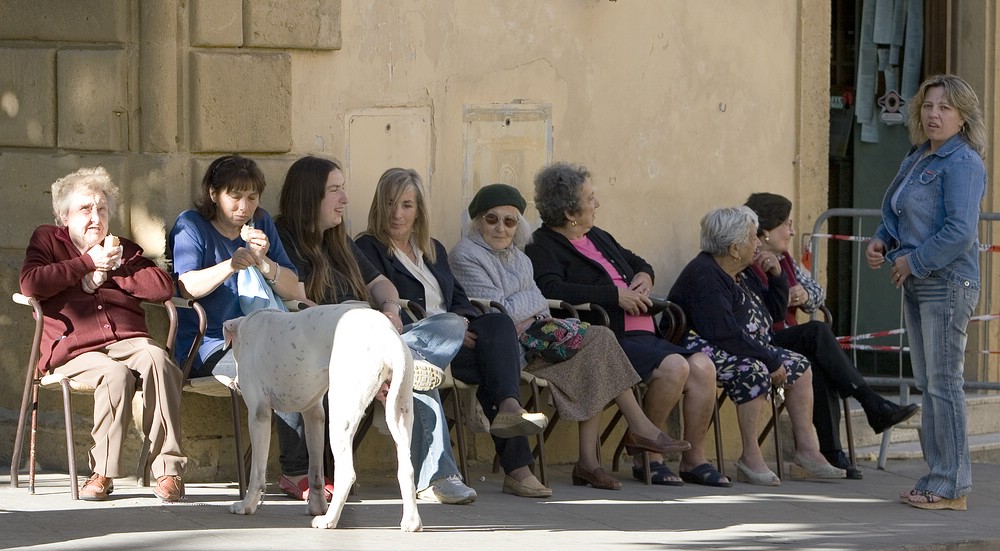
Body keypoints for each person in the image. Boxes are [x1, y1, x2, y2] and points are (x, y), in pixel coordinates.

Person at [449, 183, 691, 491]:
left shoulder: (519, 258)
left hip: (535, 335)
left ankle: (593, 461)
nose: (500, 228)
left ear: (517, 226)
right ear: (477, 221)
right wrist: (525, 305)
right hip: (505, 347)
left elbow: (533, 300)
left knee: (598, 346)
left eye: (509, 221)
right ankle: (632, 433)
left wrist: (524, 305)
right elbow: (502, 310)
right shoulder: (466, 255)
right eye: (491, 219)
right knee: (599, 345)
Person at [272, 156, 477, 505]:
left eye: (342, 189)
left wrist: (391, 308)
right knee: (411, 370)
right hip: (336, 348)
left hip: (376, 337)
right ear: (310, 197)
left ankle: (405, 363)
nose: (345, 199)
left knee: (450, 323)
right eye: (335, 191)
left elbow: (381, 283)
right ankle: (438, 478)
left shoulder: (338, 240)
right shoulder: (285, 239)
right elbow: (300, 304)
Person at [525, 162, 728, 487]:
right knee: (675, 366)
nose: (597, 203)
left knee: (703, 366)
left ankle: (694, 459)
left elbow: (637, 262)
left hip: (646, 334)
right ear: (569, 211)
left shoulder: (598, 236)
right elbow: (550, 289)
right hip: (610, 337)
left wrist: (644, 277)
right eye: (590, 198)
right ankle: (648, 454)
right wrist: (614, 296)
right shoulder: (542, 246)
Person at [356, 168, 551, 497]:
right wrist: (450, 327)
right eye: (390, 203)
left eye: (406, 205)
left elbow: (459, 300)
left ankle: (508, 410)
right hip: (415, 344)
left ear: (418, 211)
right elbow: (384, 308)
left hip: (453, 343)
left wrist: (461, 322)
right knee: (486, 363)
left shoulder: (430, 249)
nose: (396, 213)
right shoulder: (368, 247)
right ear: (379, 205)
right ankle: (517, 467)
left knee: (497, 325)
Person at [20, 166, 186, 502]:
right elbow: (31, 283)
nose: (95, 217)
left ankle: (168, 470)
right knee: (115, 374)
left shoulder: (122, 248)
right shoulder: (47, 240)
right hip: (74, 348)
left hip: (129, 339)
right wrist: (84, 264)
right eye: (85, 209)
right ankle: (103, 472)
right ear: (63, 216)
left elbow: (162, 288)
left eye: (102, 209)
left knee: (159, 359)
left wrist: (113, 268)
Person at [865, 75, 986, 511]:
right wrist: (881, 241)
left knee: (944, 385)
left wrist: (912, 261)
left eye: (945, 107)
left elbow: (959, 231)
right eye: (929, 106)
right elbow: (897, 213)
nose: (934, 114)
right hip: (918, 283)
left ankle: (951, 485)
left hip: (948, 284)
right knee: (929, 383)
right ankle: (940, 477)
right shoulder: (918, 156)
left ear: (963, 117)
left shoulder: (964, 163)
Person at [168, 155, 318, 500]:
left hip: (265, 335)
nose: (244, 206)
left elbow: (296, 289)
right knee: (274, 370)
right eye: (235, 197)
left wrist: (264, 261)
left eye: (251, 198)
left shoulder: (262, 222)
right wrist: (230, 265)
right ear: (213, 194)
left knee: (300, 366)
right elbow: (186, 286)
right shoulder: (191, 225)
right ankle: (294, 472)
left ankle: (301, 472)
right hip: (210, 343)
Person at [745, 192, 919, 479]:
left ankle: (831, 451)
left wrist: (803, 296)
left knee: (819, 362)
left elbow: (817, 291)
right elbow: (751, 308)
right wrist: (779, 294)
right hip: (763, 340)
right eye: (786, 225)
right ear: (764, 231)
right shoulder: (749, 261)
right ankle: (871, 403)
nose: (791, 231)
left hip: (790, 338)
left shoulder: (785, 259)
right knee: (817, 332)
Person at [668, 206, 846, 485]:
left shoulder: (741, 271)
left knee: (799, 365)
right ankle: (750, 457)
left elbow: (773, 315)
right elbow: (723, 333)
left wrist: (777, 277)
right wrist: (769, 358)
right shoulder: (706, 274)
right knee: (754, 369)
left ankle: (807, 450)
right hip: (700, 346)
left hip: (737, 344)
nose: (759, 243)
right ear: (735, 248)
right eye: (753, 238)